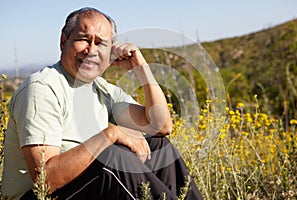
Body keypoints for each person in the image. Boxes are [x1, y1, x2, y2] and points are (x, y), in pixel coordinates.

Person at [1, 7, 203, 200]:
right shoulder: (42, 88)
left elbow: (161, 126)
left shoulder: (101, 89)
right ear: (64, 42)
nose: (91, 50)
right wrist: (111, 134)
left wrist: (141, 67)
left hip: (79, 188)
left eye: (101, 43)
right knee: (114, 158)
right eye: (83, 39)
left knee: (158, 145)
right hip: (39, 196)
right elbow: (45, 181)